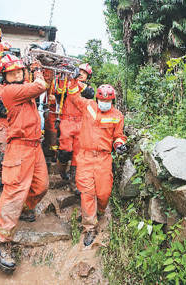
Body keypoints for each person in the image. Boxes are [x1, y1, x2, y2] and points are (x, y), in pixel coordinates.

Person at [0, 54, 48, 272]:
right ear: (4, 76)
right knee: (13, 193)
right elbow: (41, 85)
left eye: (19, 71)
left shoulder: (23, 88)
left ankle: (25, 209)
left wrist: (33, 70)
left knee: (41, 186)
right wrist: (37, 69)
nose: (16, 74)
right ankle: (1, 243)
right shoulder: (10, 91)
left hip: (34, 146)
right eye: (11, 72)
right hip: (19, 147)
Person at [69, 83, 127, 246]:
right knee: (87, 193)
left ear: (113, 100)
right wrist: (75, 82)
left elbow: (119, 135)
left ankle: (100, 211)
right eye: (101, 99)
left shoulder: (117, 115)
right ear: (97, 98)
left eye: (108, 100)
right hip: (86, 157)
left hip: (103, 159)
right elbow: (73, 96)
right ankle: (89, 228)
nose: (104, 103)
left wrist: (119, 144)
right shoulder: (88, 106)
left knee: (104, 193)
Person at [55, 63, 95, 194]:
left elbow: (90, 97)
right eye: (80, 71)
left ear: (88, 76)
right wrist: (67, 79)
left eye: (85, 73)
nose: (82, 74)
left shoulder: (88, 88)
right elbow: (61, 92)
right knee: (65, 151)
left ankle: (74, 183)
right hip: (67, 120)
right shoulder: (68, 83)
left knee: (78, 154)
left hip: (81, 122)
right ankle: (61, 171)